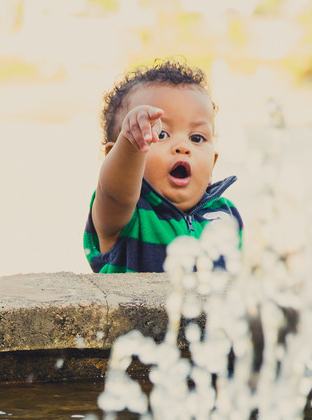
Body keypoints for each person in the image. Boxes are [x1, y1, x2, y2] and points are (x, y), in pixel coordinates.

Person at [83, 60, 242, 273]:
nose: (182, 147)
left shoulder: (225, 214)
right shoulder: (125, 215)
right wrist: (130, 144)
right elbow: (113, 191)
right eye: (160, 134)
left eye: (196, 137)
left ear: (213, 164)